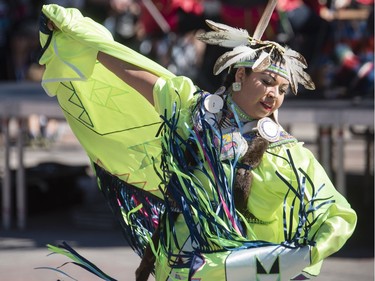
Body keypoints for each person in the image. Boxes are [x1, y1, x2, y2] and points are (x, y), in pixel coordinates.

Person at [39, 2, 357, 281]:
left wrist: (303, 253)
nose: (274, 94)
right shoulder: (194, 110)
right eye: (267, 81)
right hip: (185, 260)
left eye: (283, 89)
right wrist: (80, 41)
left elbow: (335, 211)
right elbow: (139, 75)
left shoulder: (286, 154)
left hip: (243, 268)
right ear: (239, 77)